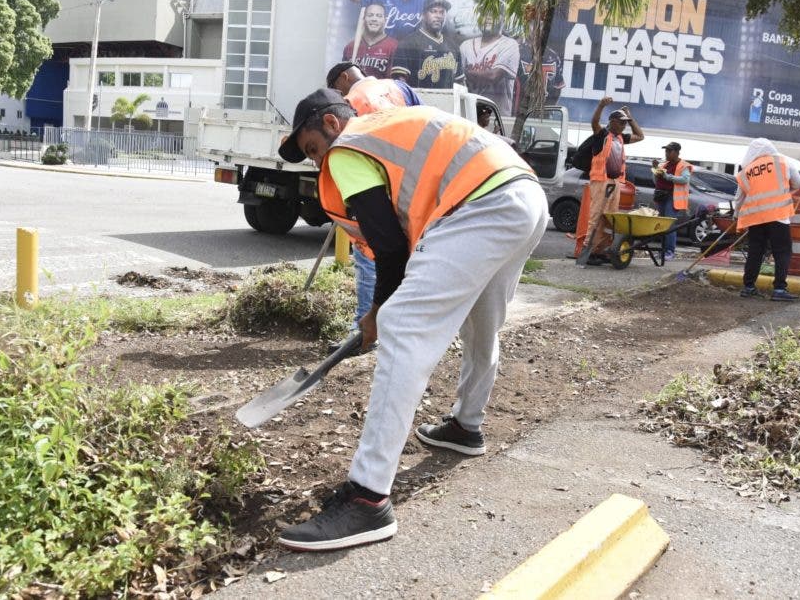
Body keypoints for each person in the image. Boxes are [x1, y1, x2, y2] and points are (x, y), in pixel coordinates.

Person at [276, 89, 548, 551]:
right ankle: (465, 426)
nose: (319, 165)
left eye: (312, 151)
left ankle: (366, 499)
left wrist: (379, 312)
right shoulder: (392, 126)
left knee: (403, 327)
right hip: (524, 199)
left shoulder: (348, 148)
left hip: (480, 205)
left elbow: (388, 244)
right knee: (483, 324)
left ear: (330, 124)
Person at [325, 62, 422, 349]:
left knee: (369, 256)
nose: (336, 94)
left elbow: (348, 145)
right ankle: (396, 326)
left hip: (377, 185)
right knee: (405, 259)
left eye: (335, 88)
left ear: (344, 77)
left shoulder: (351, 102)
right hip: (410, 183)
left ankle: (365, 332)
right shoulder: (398, 87)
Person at [735, 138, 800, 301]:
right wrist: (785, 189)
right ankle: (779, 289)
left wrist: (736, 216)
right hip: (778, 215)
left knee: (755, 252)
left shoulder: (746, 170)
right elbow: (799, 184)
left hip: (755, 217)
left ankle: (748, 287)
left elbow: (739, 197)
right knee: (782, 252)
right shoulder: (783, 162)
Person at [579, 97, 644, 265]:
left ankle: (601, 251)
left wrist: (630, 118)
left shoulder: (621, 138)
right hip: (601, 180)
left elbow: (640, 136)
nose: (624, 126)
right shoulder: (602, 135)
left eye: (625, 123)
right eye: (621, 123)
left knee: (609, 218)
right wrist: (601, 105)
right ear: (613, 122)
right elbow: (594, 122)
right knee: (596, 216)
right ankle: (588, 252)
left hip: (615, 182)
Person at [389, 0, 463, 89]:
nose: (438, 16)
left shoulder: (453, 46)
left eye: (442, 12)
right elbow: (400, 83)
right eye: (433, 11)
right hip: (419, 101)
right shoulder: (408, 43)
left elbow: (460, 82)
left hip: (447, 101)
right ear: (423, 15)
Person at [461, 17, 519, 115]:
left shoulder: (510, 44)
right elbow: (457, 80)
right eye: (485, 13)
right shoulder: (465, 45)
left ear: (503, 20)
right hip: (469, 114)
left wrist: (466, 73)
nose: (488, 17)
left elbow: (493, 76)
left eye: (494, 14)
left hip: (497, 117)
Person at [652, 142, 692, 261]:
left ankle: (670, 251)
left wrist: (668, 177)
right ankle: (662, 251)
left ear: (677, 152)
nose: (667, 153)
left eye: (669, 151)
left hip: (672, 197)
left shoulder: (683, 165)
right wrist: (655, 169)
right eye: (666, 151)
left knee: (669, 225)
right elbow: (656, 180)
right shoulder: (664, 164)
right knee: (662, 225)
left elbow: (685, 179)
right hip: (661, 196)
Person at [342, 3, 398, 79]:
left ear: (385, 20)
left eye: (379, 16)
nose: (374, 19)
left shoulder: (394, 46)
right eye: (370, 15)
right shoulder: (350, 47)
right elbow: (344, 78)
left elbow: (394, 82)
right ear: (364, 19)